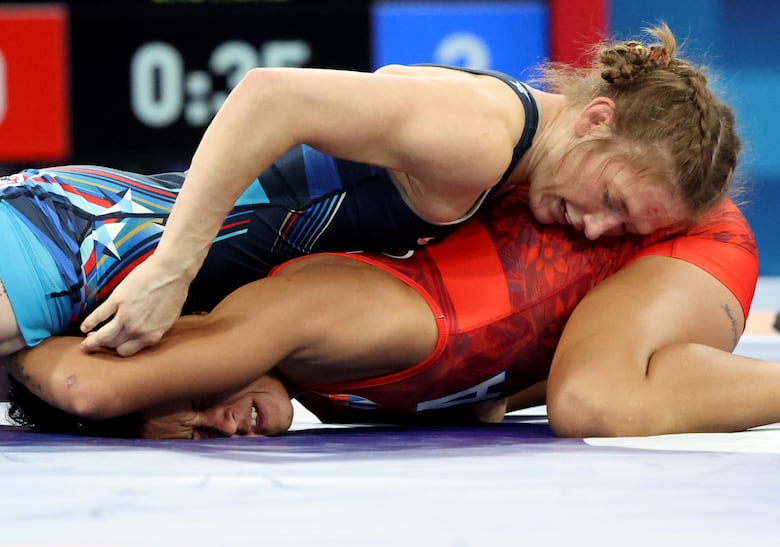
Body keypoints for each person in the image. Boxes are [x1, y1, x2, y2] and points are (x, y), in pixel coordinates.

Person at [78, 23, 743, 357]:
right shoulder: (483, 139)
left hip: (119, 267)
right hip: (92, 237)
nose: (596, 228)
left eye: (622, 230)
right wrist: (171, 269)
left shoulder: (513, 161)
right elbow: (269, 95)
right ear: (596, 120)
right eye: (614, 201)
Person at [4, 182, 760, 440]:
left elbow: (89, 387)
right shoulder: (329, 394)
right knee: (581, 386)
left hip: (670, 225)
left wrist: (20, 349)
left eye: (196, 396)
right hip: (621, 268)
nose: (225, 425)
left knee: (592, 398)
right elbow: (495, 375)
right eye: (203, 436)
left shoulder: (296, 312)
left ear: (184, 339)